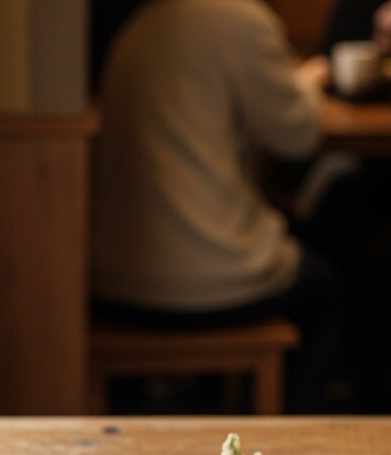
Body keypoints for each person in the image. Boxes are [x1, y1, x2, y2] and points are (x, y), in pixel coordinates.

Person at [90, 0, 342, 413]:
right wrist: (309, 84)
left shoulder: (141, 20)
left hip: (112, 281)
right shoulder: (238, 18)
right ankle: (298, 445)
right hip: (211, 282)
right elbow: (296, 134)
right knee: (326, 290)